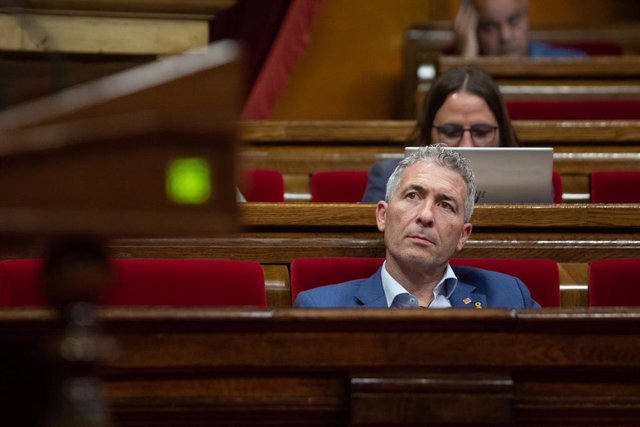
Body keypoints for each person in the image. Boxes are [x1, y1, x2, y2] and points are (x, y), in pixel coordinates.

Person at [295, 145, 540, 309]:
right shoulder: (322, 308)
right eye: (413, 196)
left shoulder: (510, 297)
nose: (425, 216)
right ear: (383, 215)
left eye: (445, 205)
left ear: (463, 236)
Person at [362, 65, 517, 203]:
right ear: (429, 132)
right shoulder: (388, 177)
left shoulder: (532, 181)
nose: (466, 145)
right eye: (451, 132)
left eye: (481, 132)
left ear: (501, 131)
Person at [455, 0, 586, 57]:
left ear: (528, 15)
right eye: (490, 26)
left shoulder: (575, 65)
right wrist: (468, 59)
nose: (505, 36)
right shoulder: (447, 72)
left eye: (514, 21)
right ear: (471, 28)